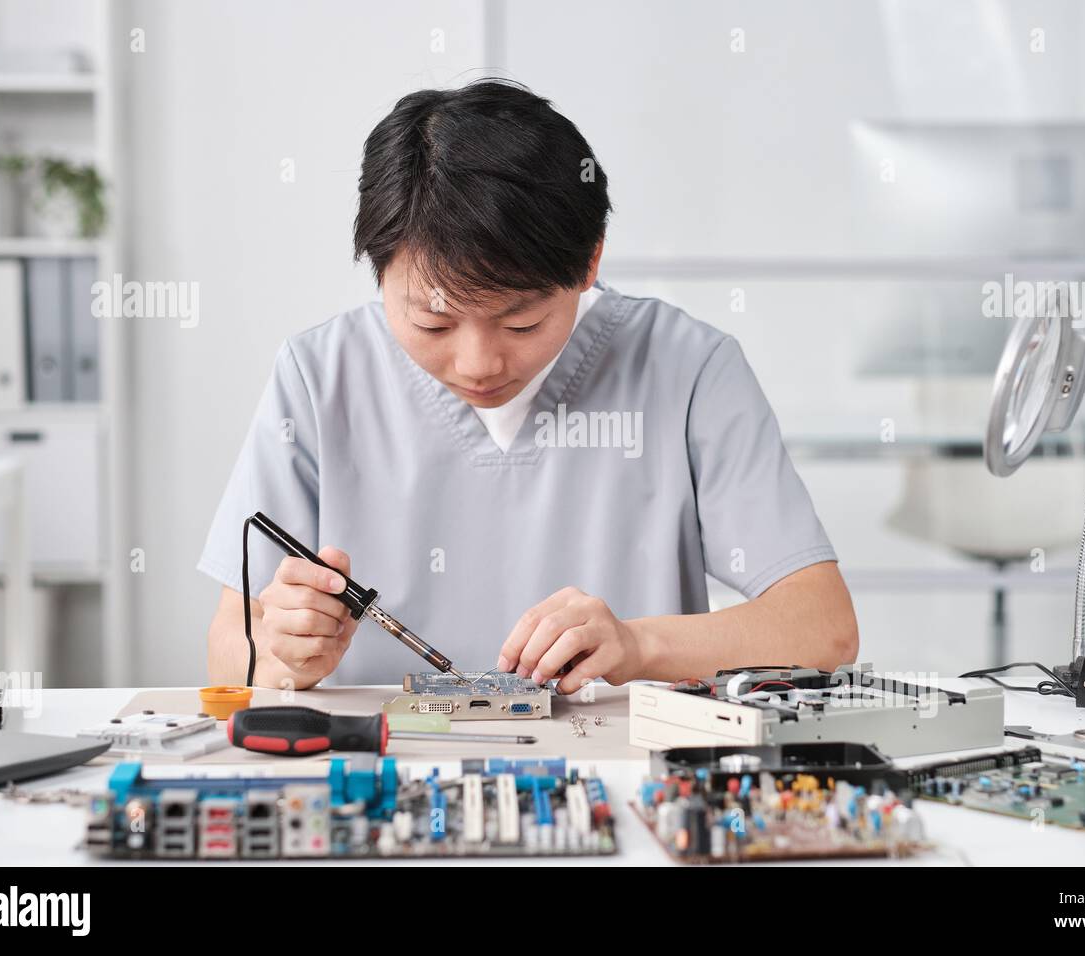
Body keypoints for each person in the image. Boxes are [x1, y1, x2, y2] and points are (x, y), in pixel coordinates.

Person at [200, 79, 857, 693]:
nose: (479, 363)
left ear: (590, 261)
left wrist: (638, 644)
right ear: (377, 272)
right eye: (433, 321)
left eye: (521, 320)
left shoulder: (688, 367)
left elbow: (822, 627)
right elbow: (228, 646)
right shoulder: (319, 376)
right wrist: (278, 651)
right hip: (375, 776)